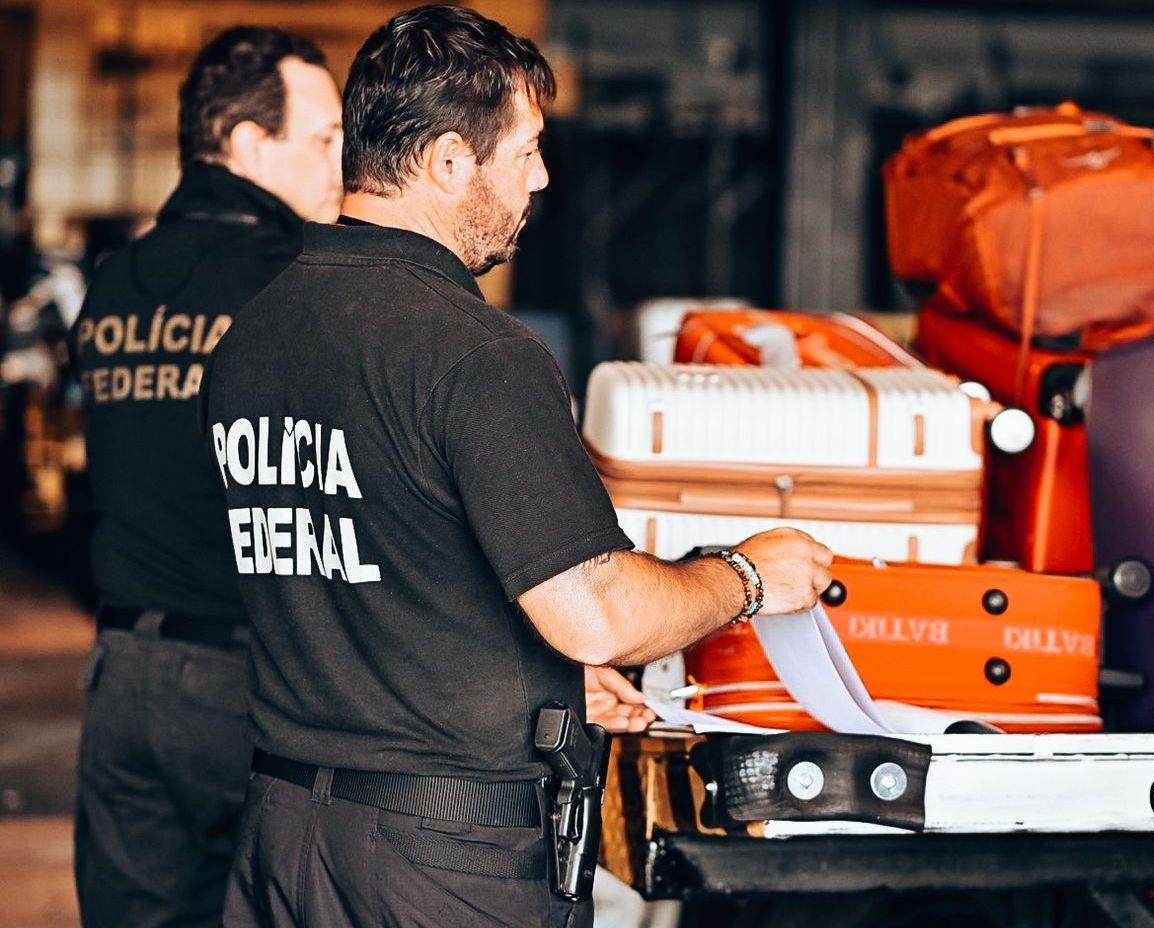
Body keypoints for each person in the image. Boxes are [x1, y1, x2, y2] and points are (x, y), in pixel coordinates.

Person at [206, 7, 831, 927]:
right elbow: (599, 614)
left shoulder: (253, 338)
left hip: (285, 840)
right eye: (527, 149)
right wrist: (745, 576)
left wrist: (530, 687)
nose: (541, 177)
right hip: (444, 863)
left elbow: (368, 563)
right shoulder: (475, 353)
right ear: (449, 161)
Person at [68, 26, 343, 928]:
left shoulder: (115, 284)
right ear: (249, 144)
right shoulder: (291, 285)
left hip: (123, 676)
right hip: (247, 684)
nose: (341, 165)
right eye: (324, 139)